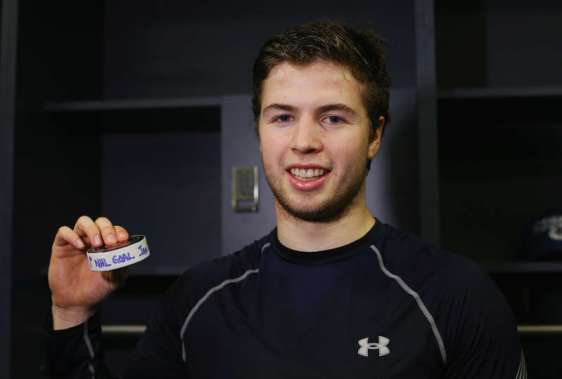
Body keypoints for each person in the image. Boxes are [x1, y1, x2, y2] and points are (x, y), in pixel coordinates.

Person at [43, 20, 527, 378]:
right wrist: (72, 315)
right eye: (281, 117)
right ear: (258, 130)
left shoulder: (457, 297)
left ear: (375, 135)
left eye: (333, 118)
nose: (303, 142)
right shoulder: (195, 301)